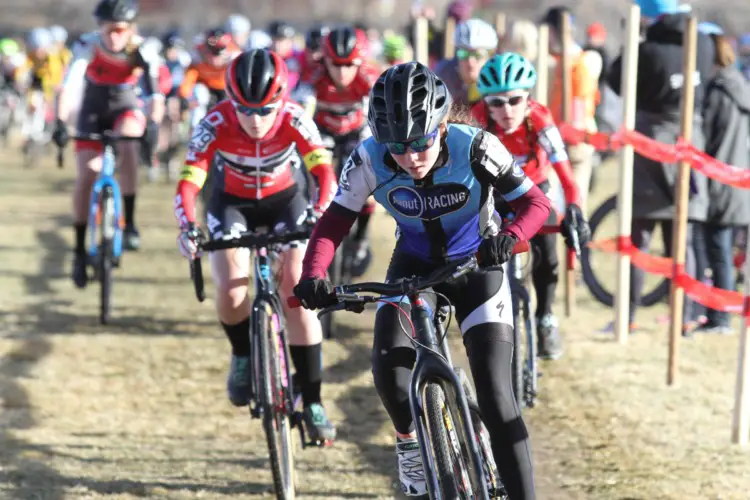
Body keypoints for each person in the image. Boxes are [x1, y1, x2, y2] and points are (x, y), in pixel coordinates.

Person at [293, 62, 550, 499]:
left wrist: (509, 237)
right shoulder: (369, 157)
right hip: (413, 268)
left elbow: (535, 203)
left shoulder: (477, 146)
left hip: (477, 266)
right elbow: (334, 221)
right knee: (390, 373)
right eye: (397, 146)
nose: (411, 157)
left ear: (443, 125)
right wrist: (313, 273)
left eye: (421, 142)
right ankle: (409, 443)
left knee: (496, 397)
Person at [174, 49, 337, 442]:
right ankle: (243, 355)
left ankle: (312, 399)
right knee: (231, 288)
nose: (256, 119)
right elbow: (189, 182)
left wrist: (320, 210)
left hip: (286, 200)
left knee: (297, 290)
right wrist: (188, 226)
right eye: (245, 109)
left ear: (280, 100)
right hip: (232, 203)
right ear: (230, 100)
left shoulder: (296, 117)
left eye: (266, 110)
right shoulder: (213, 123)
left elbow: (323, 172)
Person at [473, 52, 591, 359]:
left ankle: (545, 317)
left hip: (535, 190)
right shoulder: (477, 120)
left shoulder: (540, 119)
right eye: (496, 102)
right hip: (495, 192)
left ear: (528, 99)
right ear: (486, 103)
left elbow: (566, 176)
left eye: (515, 100)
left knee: (547, 252)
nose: (506, 110)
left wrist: (575, 208)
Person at [608, 0, 714, 334]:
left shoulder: (649, 49)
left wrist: (633, 44)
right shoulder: (705, 43)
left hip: (653, 143)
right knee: (682, 237)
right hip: (690, 139)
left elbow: (617, 81)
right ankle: (686, 314)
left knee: (639, 234)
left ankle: (628, 316)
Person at [53, 0, 165, 287]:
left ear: (130, 29)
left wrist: (152, 125)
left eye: (119, 30)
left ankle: (130, 222)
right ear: (99, 27)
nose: (113, 36)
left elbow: (154, 95)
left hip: (125, 105)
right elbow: (69, 85)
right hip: (92, 108)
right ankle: (79, 250)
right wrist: (60, 123)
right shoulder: (87, 46)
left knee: (128, 144)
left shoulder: (141, 49)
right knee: (87, 175)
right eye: (107, 29)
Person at [292, 26, 380, 277]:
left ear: (360, 62)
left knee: (367, 180)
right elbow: (300, 116)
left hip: (357, 129)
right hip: (323, 131)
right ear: (324, 60)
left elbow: (377, 117)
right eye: (335, 64)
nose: (342, 72)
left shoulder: (369, 77)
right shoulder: (313, 76)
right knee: (315, 176)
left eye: (349, 64)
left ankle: (361, 238)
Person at [697, 35, 750, 334]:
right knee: (723, 251)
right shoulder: (740, 87)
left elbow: (706, 137)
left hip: (720, 181)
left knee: (717, 252)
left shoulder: (718, 92)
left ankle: (720, 318)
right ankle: (719, 315)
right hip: (737, 179)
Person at [543, 6, 601, 215]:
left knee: (569, 204)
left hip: (571, 140)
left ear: (551, 31)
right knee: (563, 204)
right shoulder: (578, 59)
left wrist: (569, 133)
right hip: (567, 137)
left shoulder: (578, 63)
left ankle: (575, 245)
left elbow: (578, 104)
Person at [178, 27, 241, 130]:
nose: (214, 57)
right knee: (199, 93)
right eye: (211, 51)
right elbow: (189, 78)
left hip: (227, 88)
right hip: (205, 87)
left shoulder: (235, 57)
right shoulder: (197, 56)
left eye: (218, 52)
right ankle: (197, 129)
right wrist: (183, 96)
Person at [434, 18, 498, 108]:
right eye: (464, 54)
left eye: (478, 55)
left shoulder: (499, 78)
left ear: (490, 56)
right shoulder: (443, 75)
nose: (470, 62)